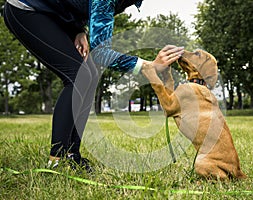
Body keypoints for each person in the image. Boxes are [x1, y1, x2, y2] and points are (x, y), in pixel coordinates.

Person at [3, 0, 184, 172]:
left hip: (56, 15)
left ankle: (72, 154)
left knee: (90, 75)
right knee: (77, 76)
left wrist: (78, 30)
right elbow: (101, 53)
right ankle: (55, 162)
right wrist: (147, 66)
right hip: (27, 9)